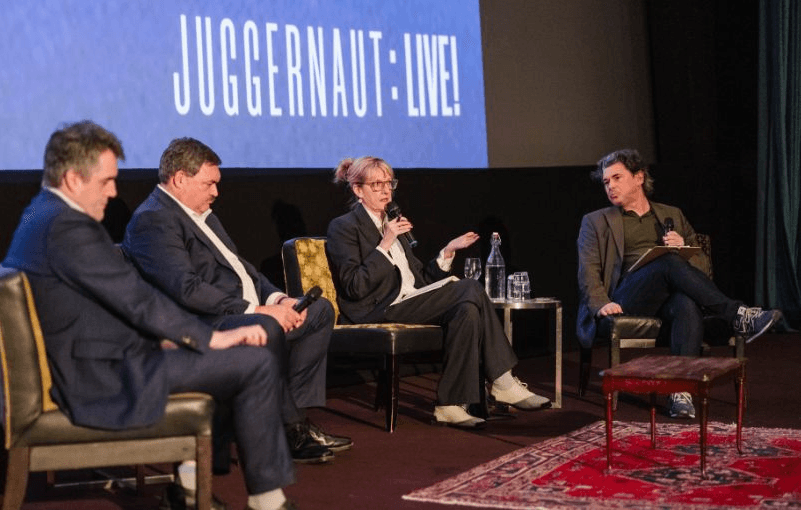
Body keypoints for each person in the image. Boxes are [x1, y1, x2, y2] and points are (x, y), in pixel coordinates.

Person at [2, 121, 297, 510]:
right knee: (252, 363)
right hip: (100, 378)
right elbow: (135, 299)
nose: (114, 191)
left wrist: (170, 337)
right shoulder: (66, 227)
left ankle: (190, 485)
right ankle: (267, 502)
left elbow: (104, 304)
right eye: (106, 180)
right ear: (74, 178)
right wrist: (210, 338)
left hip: (97, 359)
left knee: (227, 362)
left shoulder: (39, 214)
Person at [122, 137, 350, 464]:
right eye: (209, 183)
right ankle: (289, 430)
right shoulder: (153, 220)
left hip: (239, 311)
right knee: (264, 325)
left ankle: (292, 417)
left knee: (319, 312)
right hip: (203, 324)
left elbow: (245, 271)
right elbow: (185, 288)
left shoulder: (205, 215)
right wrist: (257, 309)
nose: (216, 192)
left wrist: (280, 298)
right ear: (180, 179)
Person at [325, 156, 551, 429]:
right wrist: (385, 244)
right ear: (357, 190)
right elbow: (354, 286)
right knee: (469, 287)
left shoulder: (393, 221)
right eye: (377, 185)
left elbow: (420, 280)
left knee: (466, 310)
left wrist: (447, 252)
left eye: (389, 183)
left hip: (409, 300)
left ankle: (450, 405)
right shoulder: (344, 227)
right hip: (377, 308)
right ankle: (503, 380)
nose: (386, 191)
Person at [577, 148, 782, 419]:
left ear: (639, 178)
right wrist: (601, 303)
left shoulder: (671, 214)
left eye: (617, 178)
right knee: (668, 263)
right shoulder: (596, 221)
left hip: (665, 295)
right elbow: (588, 269)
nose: (610, 186)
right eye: (606, 182)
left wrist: (684, 246)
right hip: (625, 297)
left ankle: (680, 392)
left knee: (686, 303)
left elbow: (702, 267)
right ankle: (737, 314)